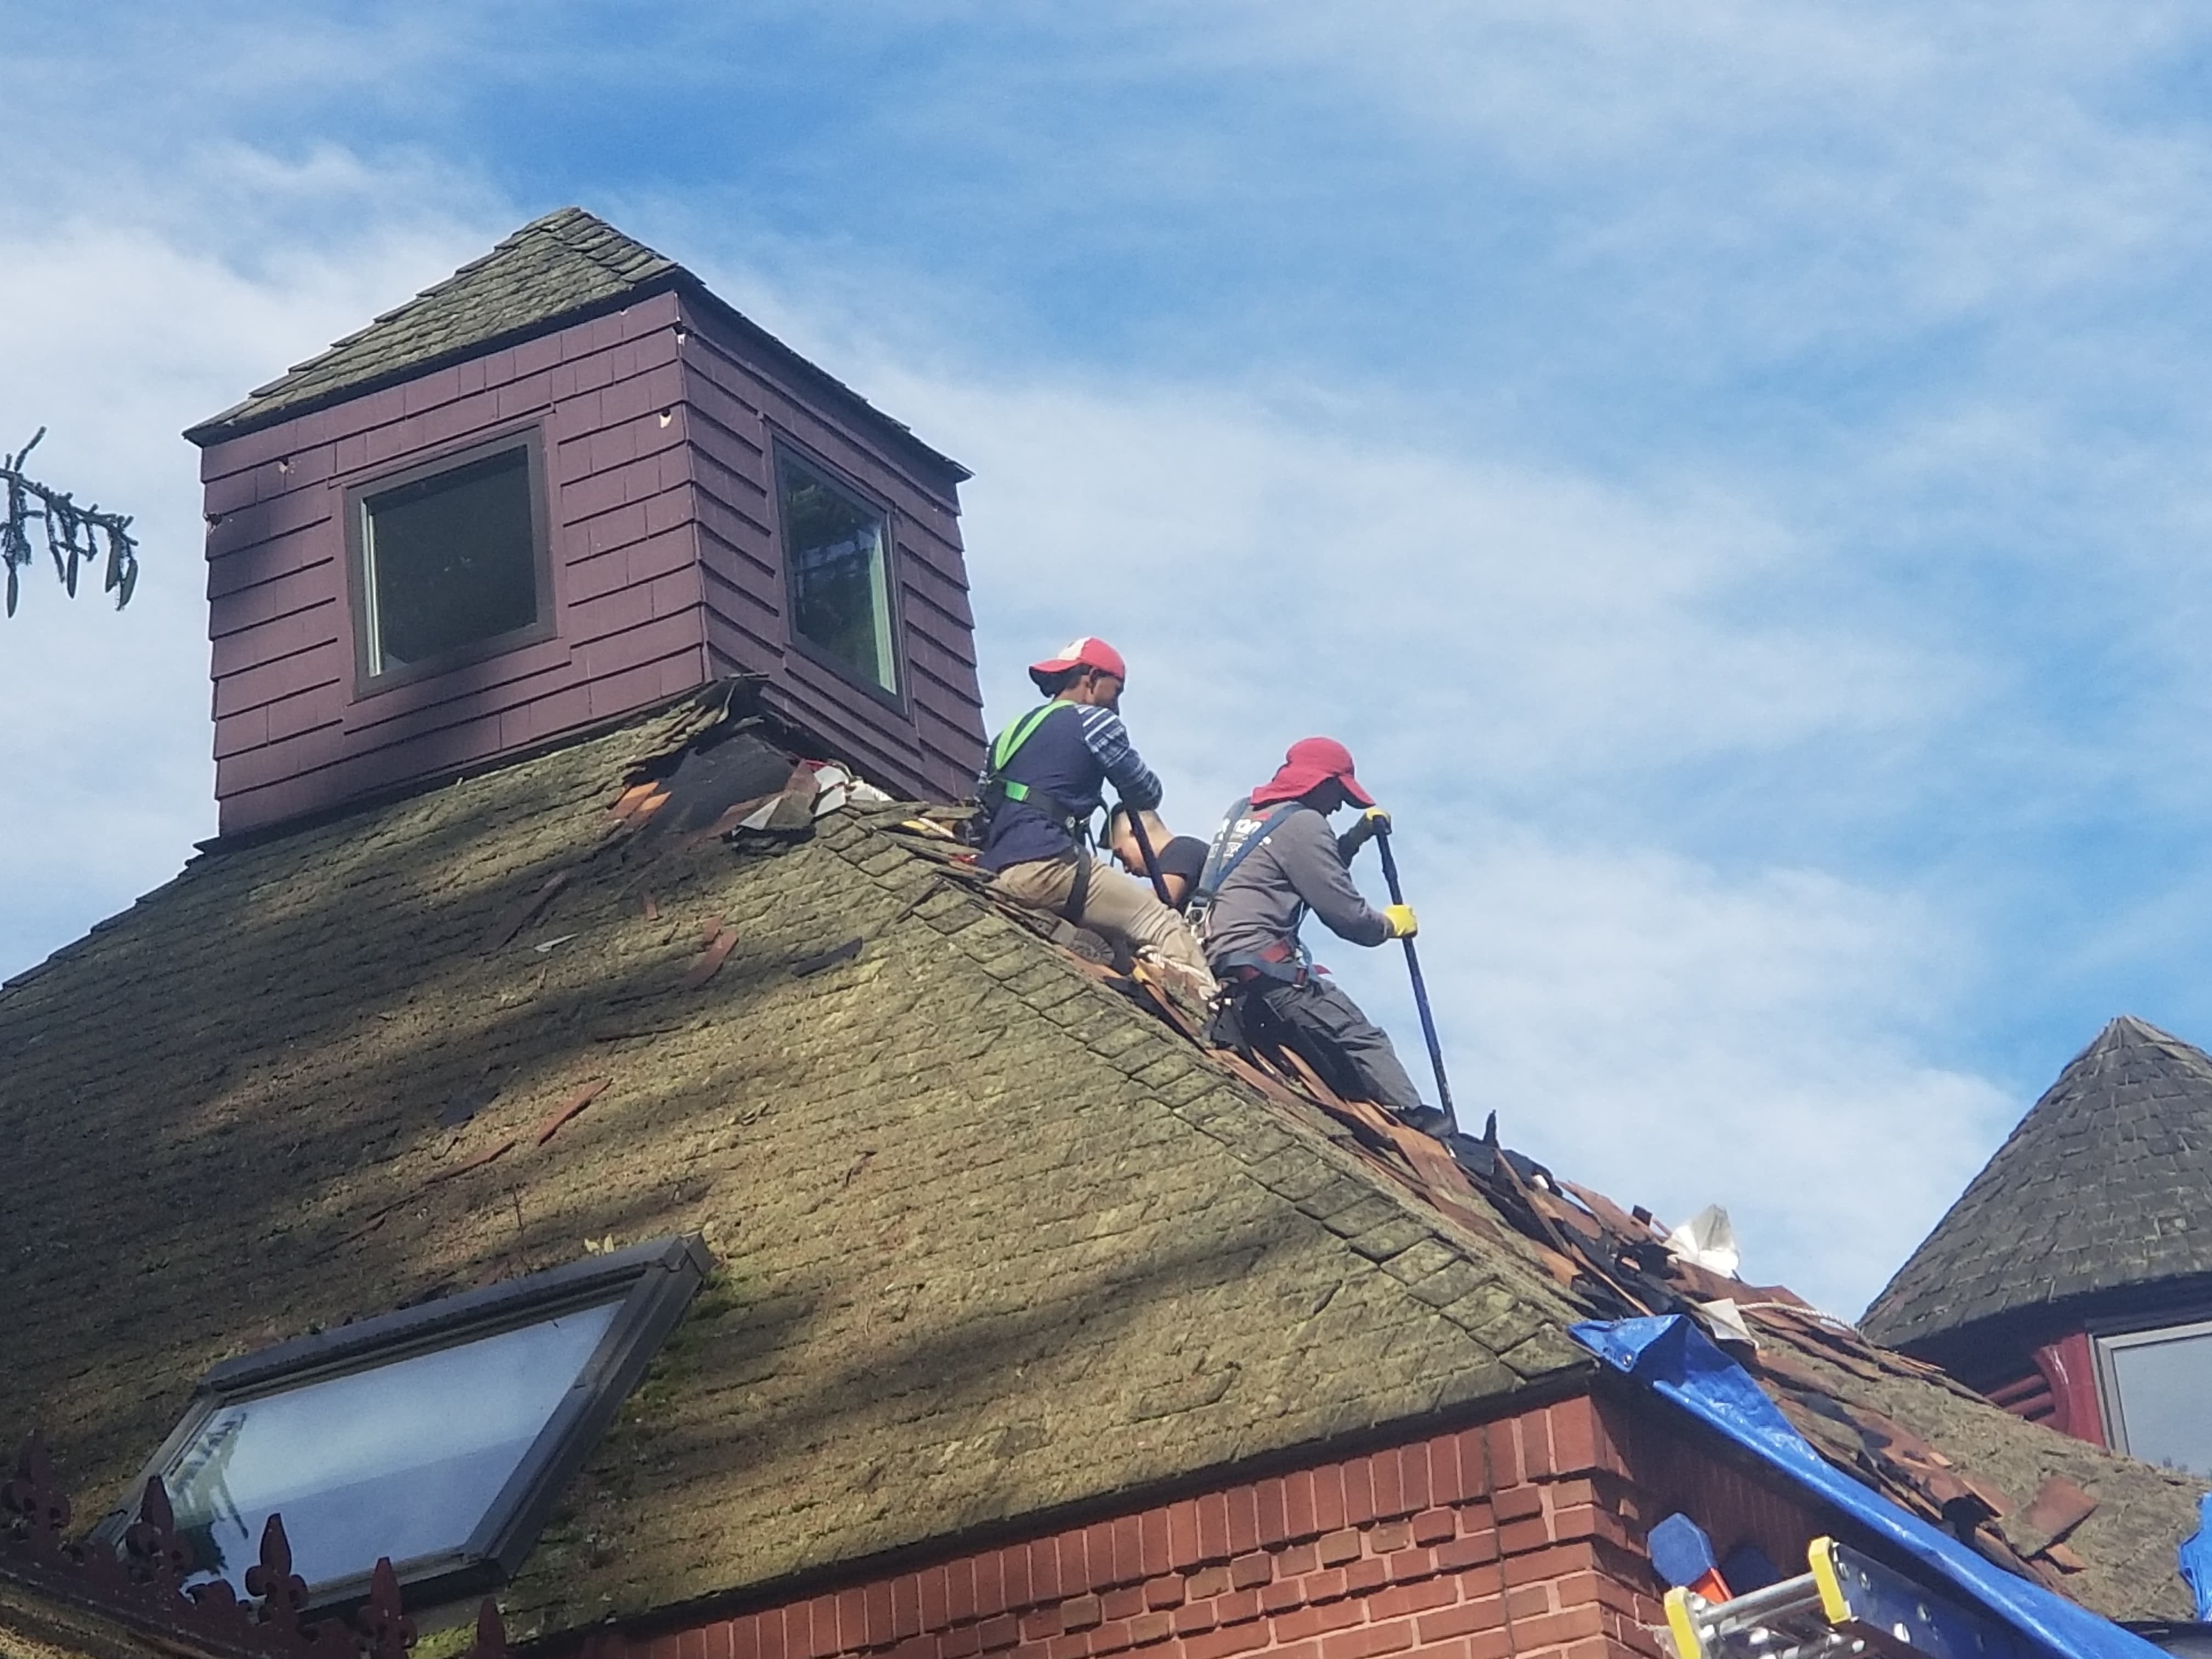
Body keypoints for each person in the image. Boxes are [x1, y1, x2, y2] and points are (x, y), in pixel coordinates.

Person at [1195, 737, 1448, 1136]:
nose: (1338, 807)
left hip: (1221, 960)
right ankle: (1421, 1129)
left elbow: (1299, 871)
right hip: (1267, 972)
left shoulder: (1245, 812)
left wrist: (1354, 839)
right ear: (1321, 783)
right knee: (1363, 1040)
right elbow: (1347, 917)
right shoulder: (1305, 825)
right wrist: (1388, 925)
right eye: (1339, 795)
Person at [975, 637, 1214, 986]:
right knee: (1163, 925)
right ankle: (1204, 1007)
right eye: (1116, 692)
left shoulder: (1007, 736)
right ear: (1092, 679)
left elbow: (983, 812)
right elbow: (1147, 792)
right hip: (1052, 865)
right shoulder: (1097, 722)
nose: (1116, 706)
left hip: (1001, 871)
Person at [1104, 805, 1208, 912]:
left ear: (1136, 832)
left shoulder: (1181, 850)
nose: (1126, 869)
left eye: (1121, 856)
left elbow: (1156, 903)